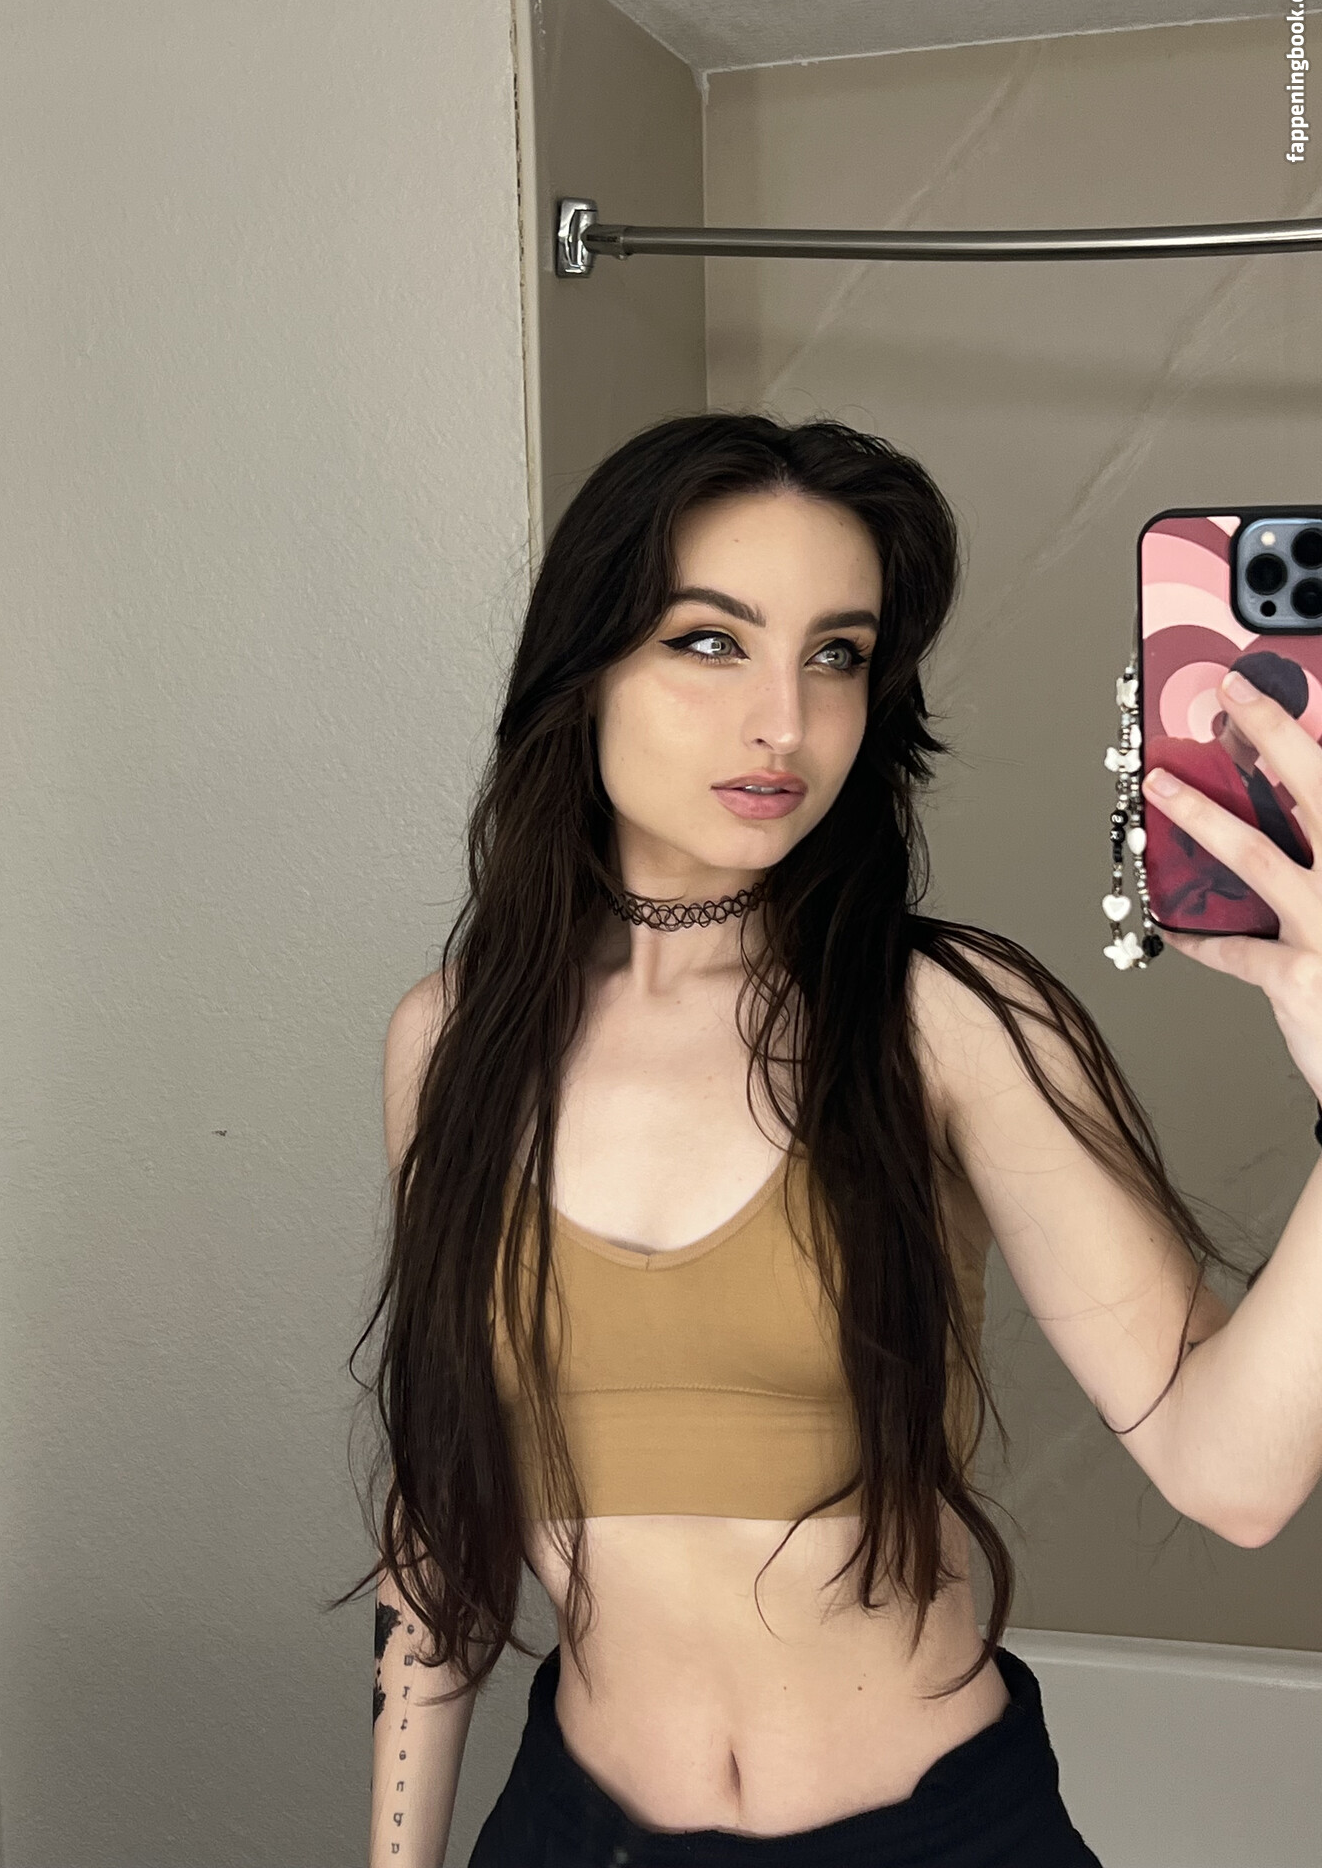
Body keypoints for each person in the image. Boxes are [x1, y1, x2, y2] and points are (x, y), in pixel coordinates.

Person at [337, 413, 1265, 1868]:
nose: (786, 720)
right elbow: (442, 1521)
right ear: (584, 667)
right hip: (575, 1833)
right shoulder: (451, 1039)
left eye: (836, 654)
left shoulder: (943, 1016)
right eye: (711, 641)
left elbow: (1233, 1472)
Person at [1144, 650, 1315, 933]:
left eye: (1281, 707)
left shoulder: (1277, 803)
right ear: (1229, 696)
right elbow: (1178, 901)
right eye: (1254, 695)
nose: (1259, 713)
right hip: (1224, 938)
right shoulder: (1172, 758)